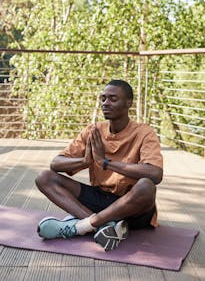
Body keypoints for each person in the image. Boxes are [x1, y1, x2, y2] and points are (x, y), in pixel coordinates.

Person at [35, 79, 163, 251]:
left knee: (146, 186)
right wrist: (84, 161)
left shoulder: (144, 133)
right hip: (100, 199)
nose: (105, 103)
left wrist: (105, 162)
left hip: (133, 208)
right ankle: (105, 226)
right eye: (103, 98)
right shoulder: (94, 130)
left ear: (128, 103)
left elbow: (155, 174)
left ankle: (83, 226)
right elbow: (55, 164)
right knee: (44, 177)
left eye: (112, 98)